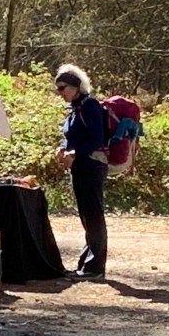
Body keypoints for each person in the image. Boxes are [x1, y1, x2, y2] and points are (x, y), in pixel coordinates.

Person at [54, 64, 107, 281]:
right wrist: (63, 148)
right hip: (80, 167)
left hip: (92, 167)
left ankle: (95, 268)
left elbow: (97, 139)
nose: (59, 93)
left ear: (75, 87)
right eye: (57, 88)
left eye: (62, 88)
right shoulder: (74, 109)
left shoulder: (90, 105)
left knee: (93, 215)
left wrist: (74, 153)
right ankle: (86, 264)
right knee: (86, 215)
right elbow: (72, 137)